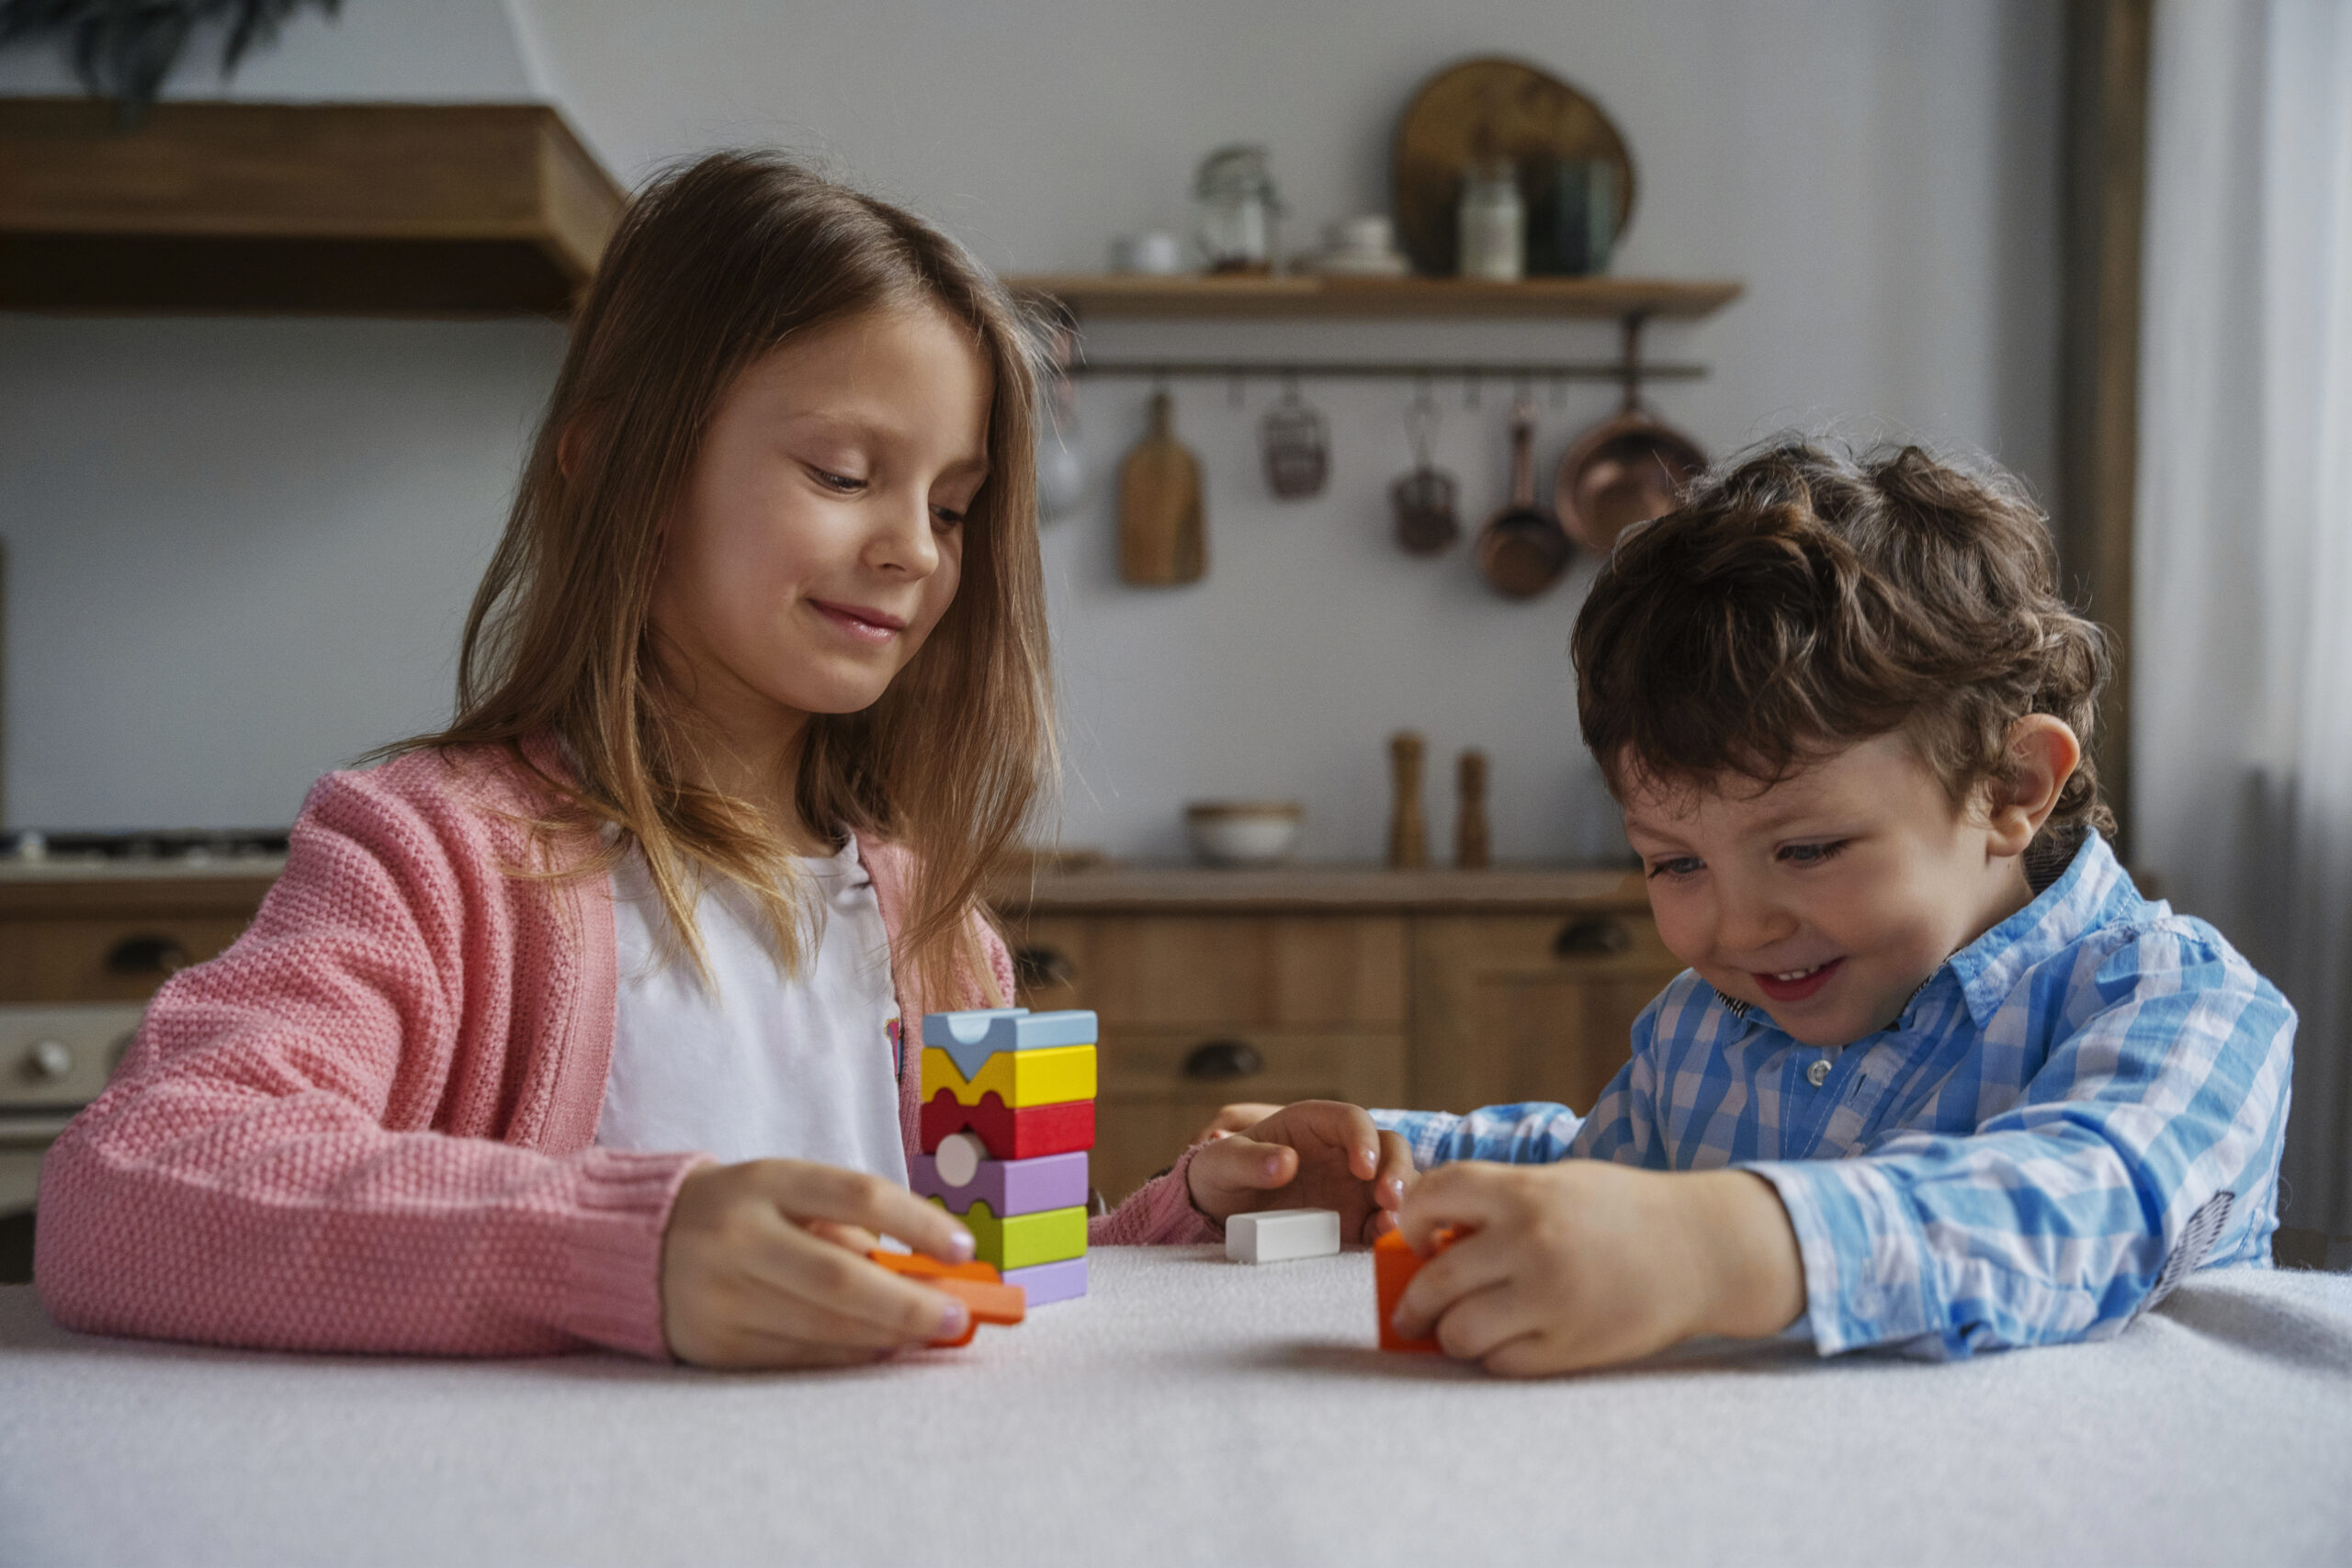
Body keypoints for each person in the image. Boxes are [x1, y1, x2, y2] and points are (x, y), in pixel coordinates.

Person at [34, 152, 1409, 1369]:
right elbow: (131, 1183)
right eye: (841, 473)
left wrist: (1194, 1216)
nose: (917, 551)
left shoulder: (933, 923)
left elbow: (968, 1273)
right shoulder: (432, 856)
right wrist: (635, 1247)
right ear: (617, 463)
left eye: (952, 503)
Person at [1208, 441, 2295, 1376]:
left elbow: (2085, 1207)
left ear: (2009, 788)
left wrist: (1720, 1247)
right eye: (1674, 865)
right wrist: (1382, 1169)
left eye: (1809, 848)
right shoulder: (1711, 1021)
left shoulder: (2176, 1002)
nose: (1734, 929)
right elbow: (1602, 1179)